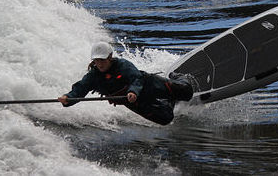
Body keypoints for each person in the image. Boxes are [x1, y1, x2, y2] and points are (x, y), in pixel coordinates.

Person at [58, 42, 194, 125]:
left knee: (187, 92)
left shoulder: (122, 65)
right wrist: (67, 98)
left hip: (148, 85)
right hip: (132, 102)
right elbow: (80, 89)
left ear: (110, 57)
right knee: (166, 118)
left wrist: (133, 91)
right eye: (96, 61)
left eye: (102, 60)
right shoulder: (93, 76)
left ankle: (177, 76)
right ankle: (170, 99)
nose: (99, 64)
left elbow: (137, 78)